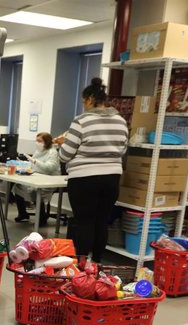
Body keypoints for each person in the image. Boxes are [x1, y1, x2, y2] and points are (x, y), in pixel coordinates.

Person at [59, 77, 128, 262]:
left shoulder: (81, 121)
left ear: (90, 99)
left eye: (83, 102)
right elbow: (122, 149)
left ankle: (82, 267)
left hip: (84, 180)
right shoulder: (121, 121)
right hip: (112, 179)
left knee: (84, 223)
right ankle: (97, 263)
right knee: (101, 222)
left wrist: (62, 146)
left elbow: (65, 155)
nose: (83, 105)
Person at [13, 132, 61, 223]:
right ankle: (23, 214)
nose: (37, 143)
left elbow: (49, 168)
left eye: (40, 141)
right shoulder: (39, 151)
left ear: (46, 142)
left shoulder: (53, 152)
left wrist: (34, 161)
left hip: (49, 180)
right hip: (37, 177)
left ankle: (41, 217)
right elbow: (32, 165)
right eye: (36, 140)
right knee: (18, 187)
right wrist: (23, 164)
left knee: (36, 190)